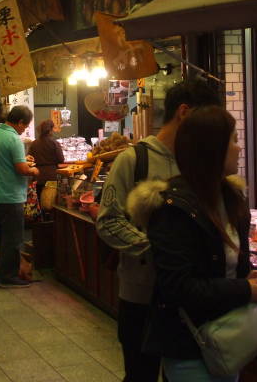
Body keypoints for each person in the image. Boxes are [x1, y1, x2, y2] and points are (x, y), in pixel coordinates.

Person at [128, 106, 257, 381]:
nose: (239, 148)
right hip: (190, 346)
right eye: (234, 140)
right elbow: (177, 287)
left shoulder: (231, 198)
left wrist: (248, 278)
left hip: (231, 338)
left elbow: (230, 266)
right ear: (212, 148)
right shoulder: (173, 207)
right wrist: (243, 289)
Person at [96, 78, 222, 382]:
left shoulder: (199, 161)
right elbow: (108, 220)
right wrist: (158, 251)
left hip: (189, 298)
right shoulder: (134, 159)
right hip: (141, 295)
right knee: (140, 375)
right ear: (185, 113)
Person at [0, 106, 39, 288]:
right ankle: (8, 277)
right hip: (10, 196)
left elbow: (5, 163)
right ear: (20, 122)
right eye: (25, 126)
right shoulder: (13, 138)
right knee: (13, 238)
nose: (24, 130)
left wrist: (24, 162)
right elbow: (22, 169)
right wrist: (33, 169)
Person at [27, 120, 65, 199]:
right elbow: (61, 159)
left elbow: (29, 159)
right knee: (50, 200)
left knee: (39, 199)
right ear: (50, 130)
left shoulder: (34, 144)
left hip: (38, 176)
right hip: (51, 176)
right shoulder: (54, 143)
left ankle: (41, 211)